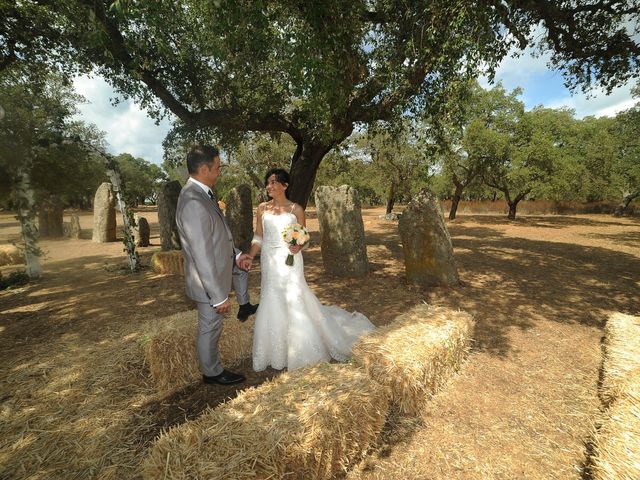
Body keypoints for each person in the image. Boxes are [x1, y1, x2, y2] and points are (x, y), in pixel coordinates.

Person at [245, 168, 375, 371]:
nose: (269, 186)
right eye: (267, 183)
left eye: (273, 182)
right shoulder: (262, 208)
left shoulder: (296, 209)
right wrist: (250, 255)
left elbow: (304, 238)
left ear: (285, 186)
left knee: (294, 297)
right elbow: (258, 237)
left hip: (291, 261)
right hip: (270, 261)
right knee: (272, 298)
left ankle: (302, 350)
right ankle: (275, 352)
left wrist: (299, 245)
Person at [175, 145, 258, 385]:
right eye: (218, 167)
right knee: (210, 327)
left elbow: (215, 237)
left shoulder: (203, 194)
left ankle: (211, 369)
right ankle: (211, 373)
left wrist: (237, 254)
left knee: (211, 326)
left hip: (212, 276)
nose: (220, 171)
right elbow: (201, 253)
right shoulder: (193, 201)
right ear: (204, 169)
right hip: (206, 282)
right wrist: (218, 297)